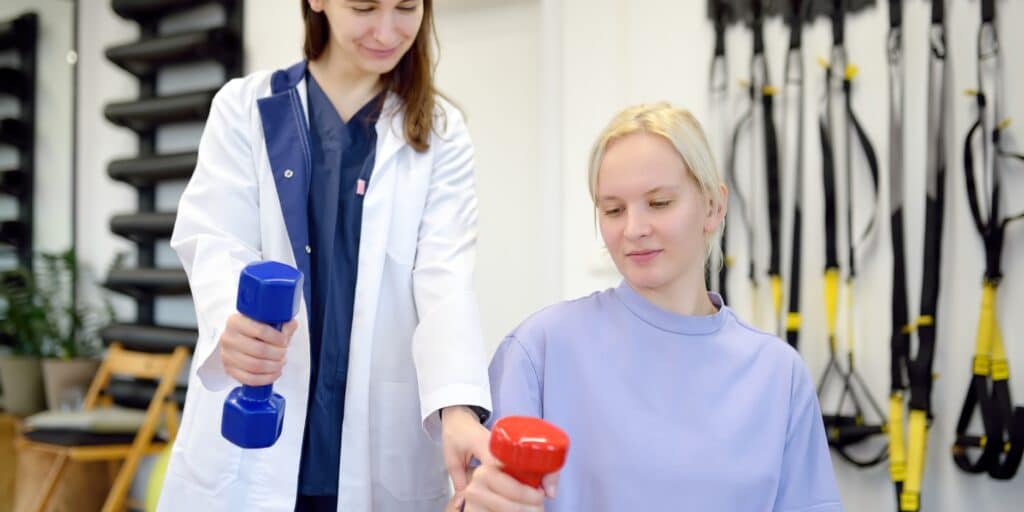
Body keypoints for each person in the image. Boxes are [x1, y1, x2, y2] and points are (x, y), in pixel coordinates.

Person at [159, 1, 493, 510]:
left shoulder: (441, 133)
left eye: (407, 7)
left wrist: (458, 408)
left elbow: (444, 278)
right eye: (364, 7)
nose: (387, 30)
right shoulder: (244, 107)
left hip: (373, 444)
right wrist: (234, 319)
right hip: (253, 443)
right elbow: (215, 238)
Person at [459, 103, 842, 511]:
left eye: (658, 203)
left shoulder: (777, 375)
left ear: (713, 206)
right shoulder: (541, 350)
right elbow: (469, 499)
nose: (634, 229)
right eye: (613, 210)